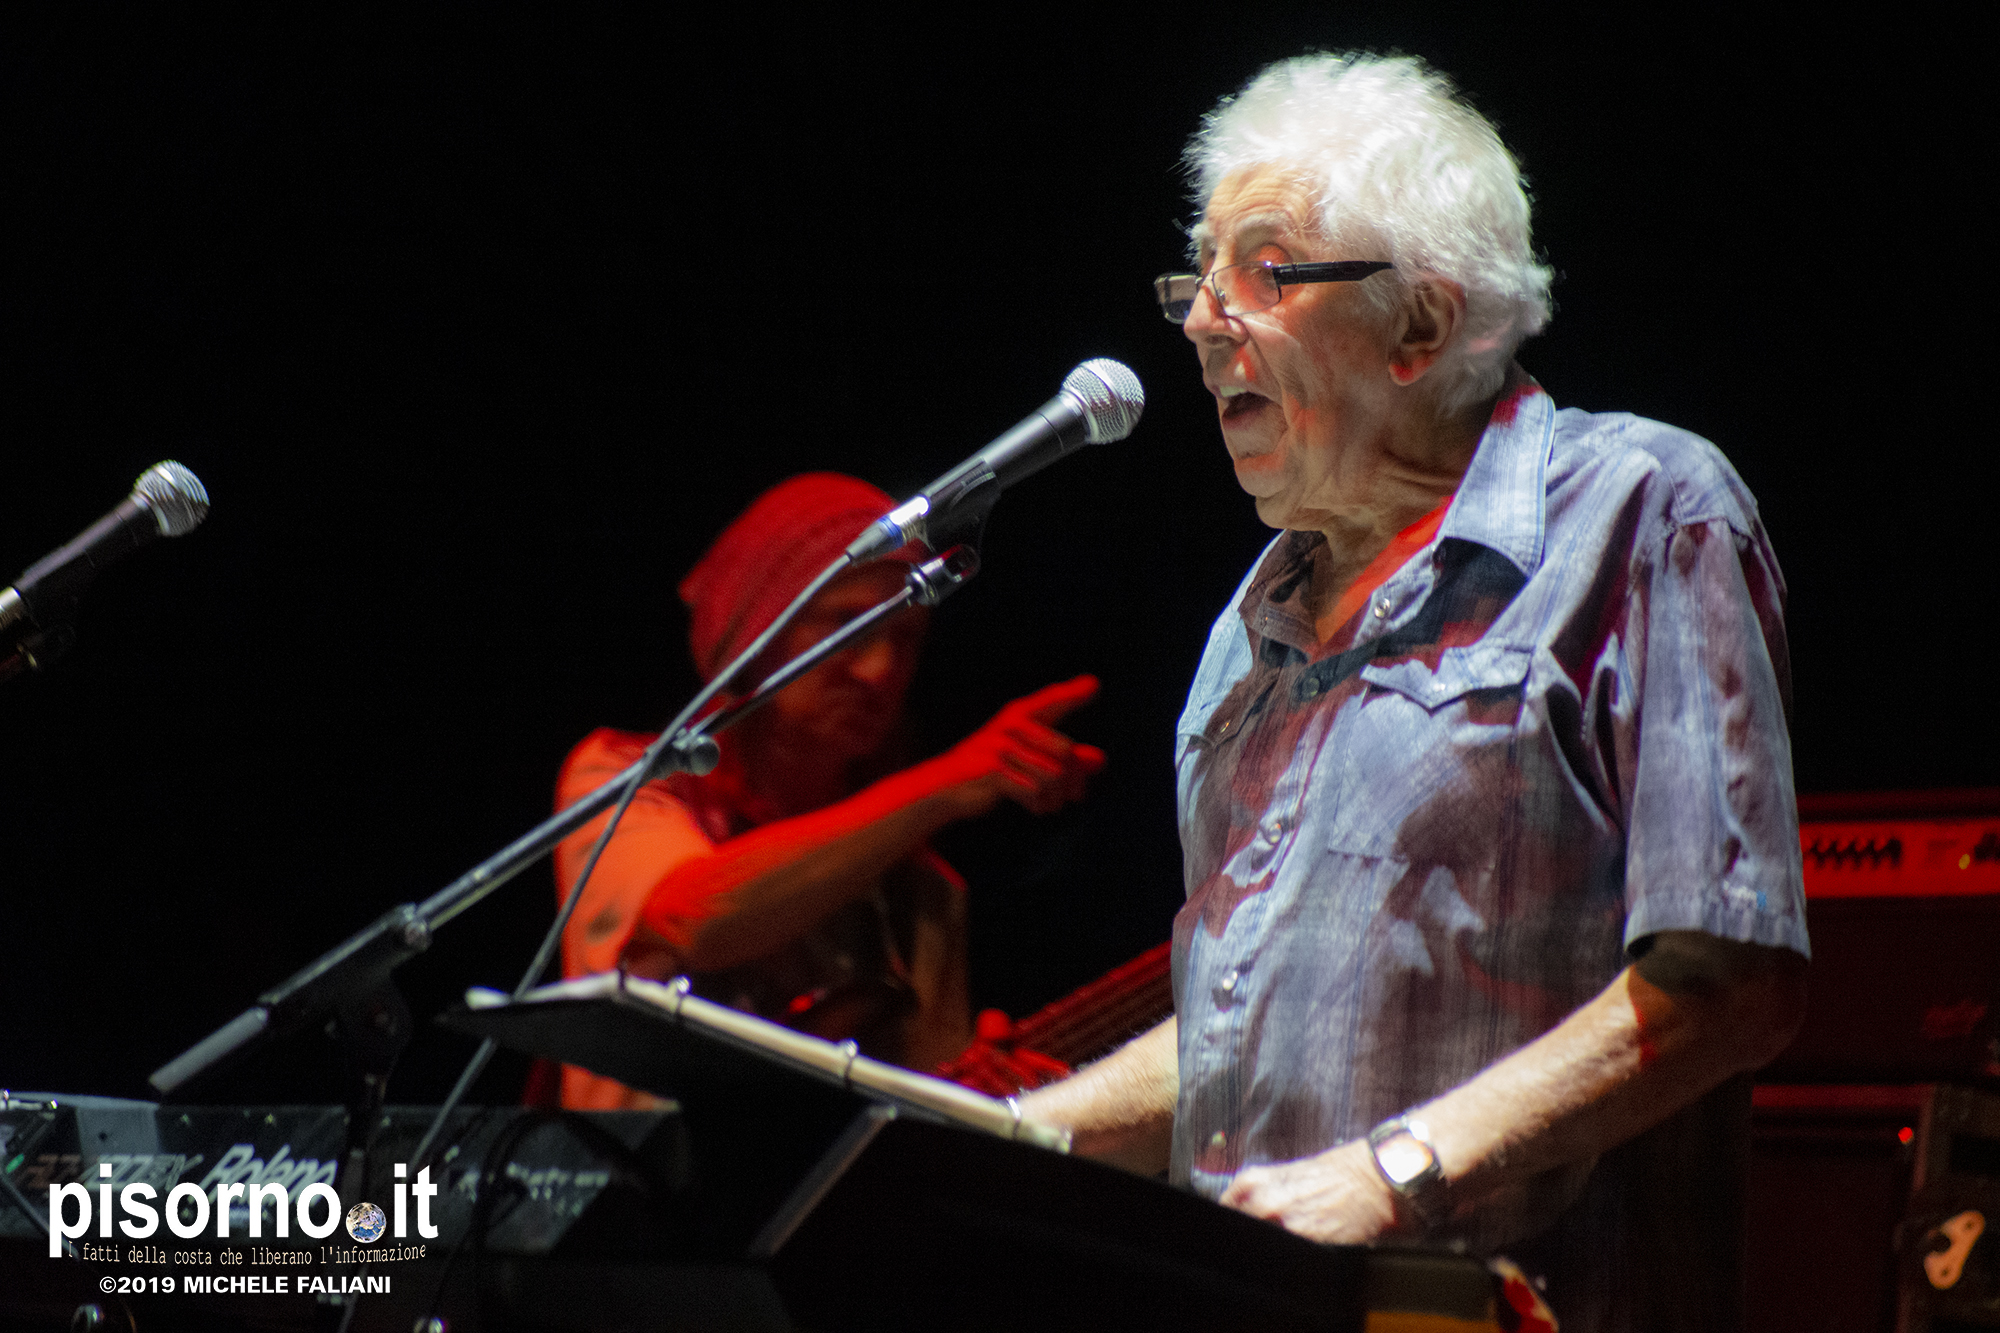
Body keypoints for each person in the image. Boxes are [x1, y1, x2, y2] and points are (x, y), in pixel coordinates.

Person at [1020, 54, 1809, 1331]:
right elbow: (1247, 1030)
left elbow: (1728, 979)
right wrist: (1008, 1133)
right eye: (1196, 278)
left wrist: (1392, 1175)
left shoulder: (1640, 512)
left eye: (1263, 272)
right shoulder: (1248, 626)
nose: (1201, 321)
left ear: (1419, 328)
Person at [553, 473, 1104, 1111]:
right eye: (848, 625)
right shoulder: (622, 779)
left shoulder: (921, 892)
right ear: (755, 633)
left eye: (906, 639)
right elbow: (688, 920)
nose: (880, 670)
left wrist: (980, 1097)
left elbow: (909, 1124)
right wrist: (950, 779)